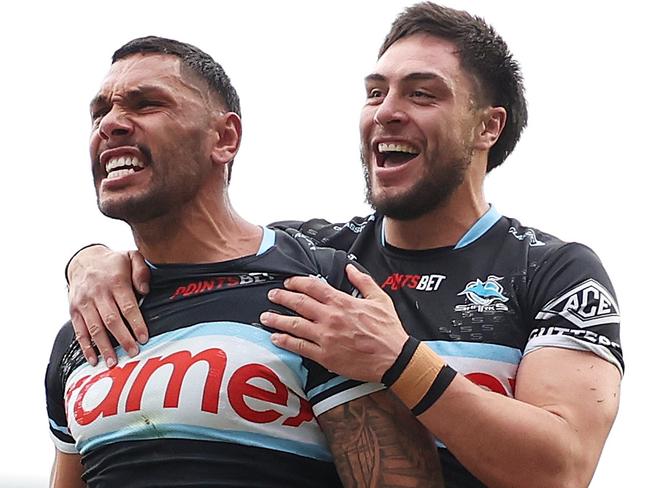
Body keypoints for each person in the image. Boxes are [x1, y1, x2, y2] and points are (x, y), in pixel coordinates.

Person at [65, 3, 623, 487]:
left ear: (488, 127)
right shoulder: (308, 252)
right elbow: (197, 249)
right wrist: (86, 261)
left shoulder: (551, 269)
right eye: (375, 93)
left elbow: (561, 469)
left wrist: (399, 361)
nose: (386, 112)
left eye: (422, 94)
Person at [46, 36, 443, 488]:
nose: (111, 124)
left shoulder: (316, 287)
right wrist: (82, 259)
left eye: (146, 104)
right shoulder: (82, 329)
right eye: (100, 113)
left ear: (224, 138)